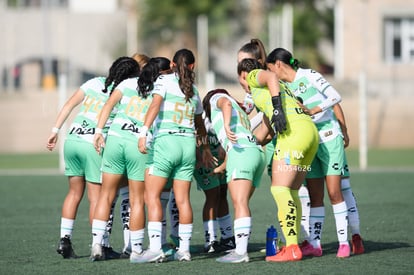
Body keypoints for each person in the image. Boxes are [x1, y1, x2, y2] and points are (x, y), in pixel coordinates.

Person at [266, 47, 364, 258]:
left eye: (270, 69)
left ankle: (344, 243)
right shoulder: (284, 87)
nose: (270, 74)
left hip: (329, 138)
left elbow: (335, 97)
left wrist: (315, 110)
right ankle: (315, 243)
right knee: (315, 195)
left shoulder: (309, 75)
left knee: (335, 192)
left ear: (279, 65)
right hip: (310, 143)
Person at [46, 56, 137, 259]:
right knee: (96, 198)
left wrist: (55, 130)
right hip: (93, 144)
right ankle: (100, 245)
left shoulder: (94, 82)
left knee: (73, 193)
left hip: (72, 139)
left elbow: (69, 105)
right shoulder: (125, 92)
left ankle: (65, 239)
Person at [237, 58, 319, 262]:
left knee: (279, 189)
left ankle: (291, 248)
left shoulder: (255, 77)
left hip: (294, 136)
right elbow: (265, 131)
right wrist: (246, 144)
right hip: (309, 134)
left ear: (242, 75)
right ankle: (294, 244)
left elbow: (271, 75)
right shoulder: (272, 91)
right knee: (291, 191)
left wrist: (276, 109)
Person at [136, 48, 212, 263]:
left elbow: (154, 104)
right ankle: (184, 250)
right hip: (187, 145)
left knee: (152, 196)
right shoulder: (194, 90)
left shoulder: (164, 81)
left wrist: (143, 132)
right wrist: (205, 149)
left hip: (166, 142)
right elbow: (200, 125)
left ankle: (154, 248)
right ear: (192, 66)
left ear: (171, 64)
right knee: (183, 200)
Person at [89, 56, 147, 261]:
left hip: (114, 139)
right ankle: (136, 249)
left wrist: (98, 132)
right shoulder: (155, 88)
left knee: (105, 195)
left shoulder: (124, 84)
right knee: (137, 199)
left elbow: (107, 106)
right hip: (136, 143)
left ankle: (97, 244)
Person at [202, 89, 266, 263]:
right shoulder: (241, 113)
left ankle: (240, 252)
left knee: (240, 203)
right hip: (256, 153)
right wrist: (221, 167)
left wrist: (227, 124)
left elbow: (226, 103)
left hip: (242, 154)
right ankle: (240, 247)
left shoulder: (217, 98)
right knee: (242, 203)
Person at [194, 113, 235, 253]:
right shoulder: (203, 116)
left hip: (221, 158)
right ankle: (210, 240)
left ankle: (228, 237)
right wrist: (198, 156)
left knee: (222, 194)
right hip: (205, 159)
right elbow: (195, 135)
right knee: (213, 196)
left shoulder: (226, 115)